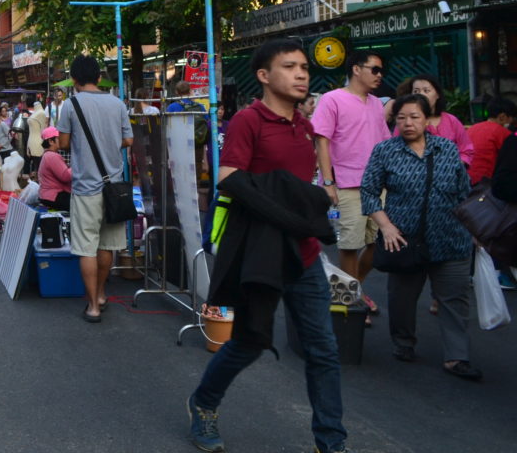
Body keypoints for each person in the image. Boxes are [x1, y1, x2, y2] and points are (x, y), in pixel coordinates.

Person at [185, 38, 348, 453]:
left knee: (324, 351)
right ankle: (203, 403)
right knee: (249, 342)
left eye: (305, 68)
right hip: (261, 253)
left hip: (306, 254)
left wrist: (316, 198)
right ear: (263, 76)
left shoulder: (304, 123)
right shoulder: (248, 120)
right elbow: (228, 177)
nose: (301, 74)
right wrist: (286, 216)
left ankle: (331, 442)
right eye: (290, 67)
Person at [360, 93, 479, 380]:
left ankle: (456, 357)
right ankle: (403, 342)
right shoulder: (385, 151)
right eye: (401, 118)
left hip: (450, 238)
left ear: (427, 119)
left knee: (454, 300)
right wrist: (386, 226)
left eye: (414, 117)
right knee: (401, 299)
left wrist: (475, 231)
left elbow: (464, 191)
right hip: (403, 240)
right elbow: (368, 192)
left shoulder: (447, 149)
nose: (408, 123)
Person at [311, 49, 391, 322]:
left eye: (381, 70)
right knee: (350, 245)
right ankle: (351, 302)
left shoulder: (375, 104)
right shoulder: (332, 99)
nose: (380, 75)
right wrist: (329, 181)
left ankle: (350, 290)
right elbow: (322, 140)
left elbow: (384, 144)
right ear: (357, 69)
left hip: (376, 184)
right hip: (346, 184)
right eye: (375, 69)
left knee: (377, 243)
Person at [55, 55, 133, 324]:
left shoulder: (70, 104)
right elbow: (128, 139)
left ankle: (93, 307)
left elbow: (63, 143)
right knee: (106, 245)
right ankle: (100, 294)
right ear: (99, 77)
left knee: (86, 246)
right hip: (114, 187)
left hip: (85, 186)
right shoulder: (117, 102)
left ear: (74, 80)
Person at [394, 74, 474, 167]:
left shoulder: (451, 120)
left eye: (426, 90)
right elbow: (395, 150)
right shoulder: (404, 121)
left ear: (437, 94)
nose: (421, 95)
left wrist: (452, 167)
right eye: (416, 91)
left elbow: (466, 151)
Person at [467, 98, 516, 186]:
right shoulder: (503, 133)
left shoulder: (472, 129)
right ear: (503, 117)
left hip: (465, 179)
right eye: (511, 119)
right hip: (485, 183)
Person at [37, 127, 71, 211]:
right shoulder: (52, 156)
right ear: (51, 141)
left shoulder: (47, 155)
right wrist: (77, 166)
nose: (62, 140)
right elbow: (66, 176)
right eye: (59, 138)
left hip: (47, 195)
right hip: (54, 196)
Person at [25, 99, 49, 173]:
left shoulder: (41, 113)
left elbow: (43, 129)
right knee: (35, 166)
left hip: (38, 142)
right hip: (31, 141)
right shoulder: (35, 112)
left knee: (38, 166)